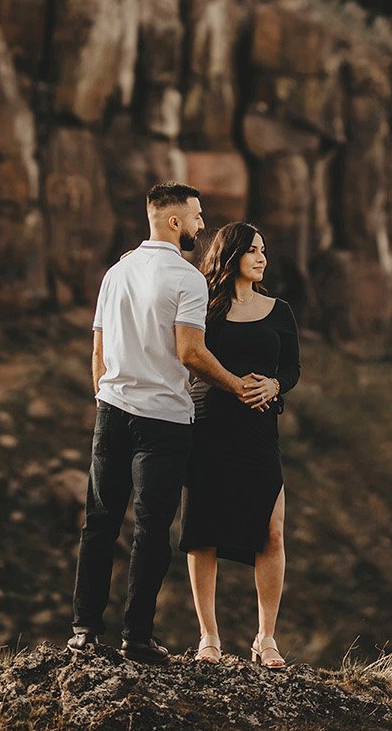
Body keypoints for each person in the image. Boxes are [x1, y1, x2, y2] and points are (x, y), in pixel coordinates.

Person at [69, 183, 268, 665]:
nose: (203, 226)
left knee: (99, 524)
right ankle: (136, 639)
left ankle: (83, 633)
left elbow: (98, 351)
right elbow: (191, 352)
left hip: (112, 413)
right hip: (163, 421)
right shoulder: (187, 279)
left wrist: (107, 395)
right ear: (174, 222)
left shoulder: (116, 273)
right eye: (197, 217)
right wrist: (239, 386)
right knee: (151, 530)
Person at [179, 222, 300, 670]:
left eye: (263, 250)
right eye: (252, 250)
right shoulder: (204, 305)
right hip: (209, 424)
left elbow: (292, 369)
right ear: (230, 256)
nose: (261, 257)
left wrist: (274, 385)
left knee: (271, 529)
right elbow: (189, 355)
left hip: (258, 429)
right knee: (202, 529)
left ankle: (265, 638)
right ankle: (208, 637)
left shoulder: (279, 310)